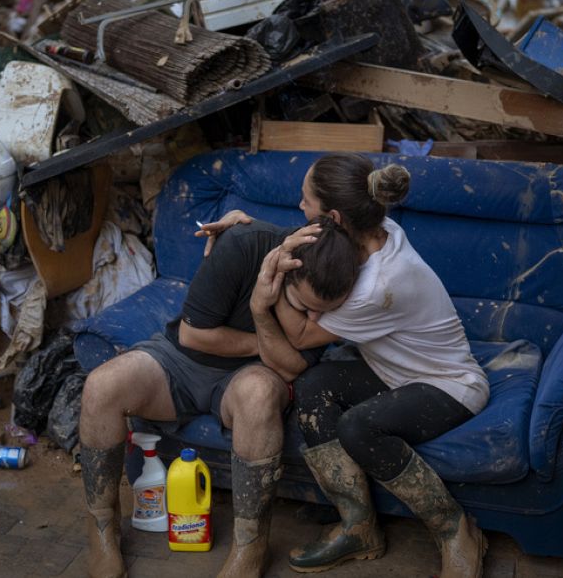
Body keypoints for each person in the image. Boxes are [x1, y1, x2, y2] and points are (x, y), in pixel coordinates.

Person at [196, 154, 490, 577]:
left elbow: (297, 338)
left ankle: (455, 528)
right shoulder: (372, 228)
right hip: (393, 373)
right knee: (315, 387)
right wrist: (245, 226)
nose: (299, 209)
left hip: (449, 385)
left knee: (358, 426)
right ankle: (359, 528)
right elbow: (302, 239)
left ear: (333, 216)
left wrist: (267, 286)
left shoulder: (377, 285)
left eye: (304, 200)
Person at [79, 217, 359, 578]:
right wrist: (269, 342)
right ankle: (101, 529)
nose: (314, 319)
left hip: (252, 376)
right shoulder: (243, 245)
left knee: (258, 394)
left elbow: (291, 368)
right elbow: (194, 337)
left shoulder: (340, 282)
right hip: (182, 360)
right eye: (304, 308)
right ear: (284, 271)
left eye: (325, 312)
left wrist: (261, 312)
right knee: (102, 387)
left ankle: (250, 547)